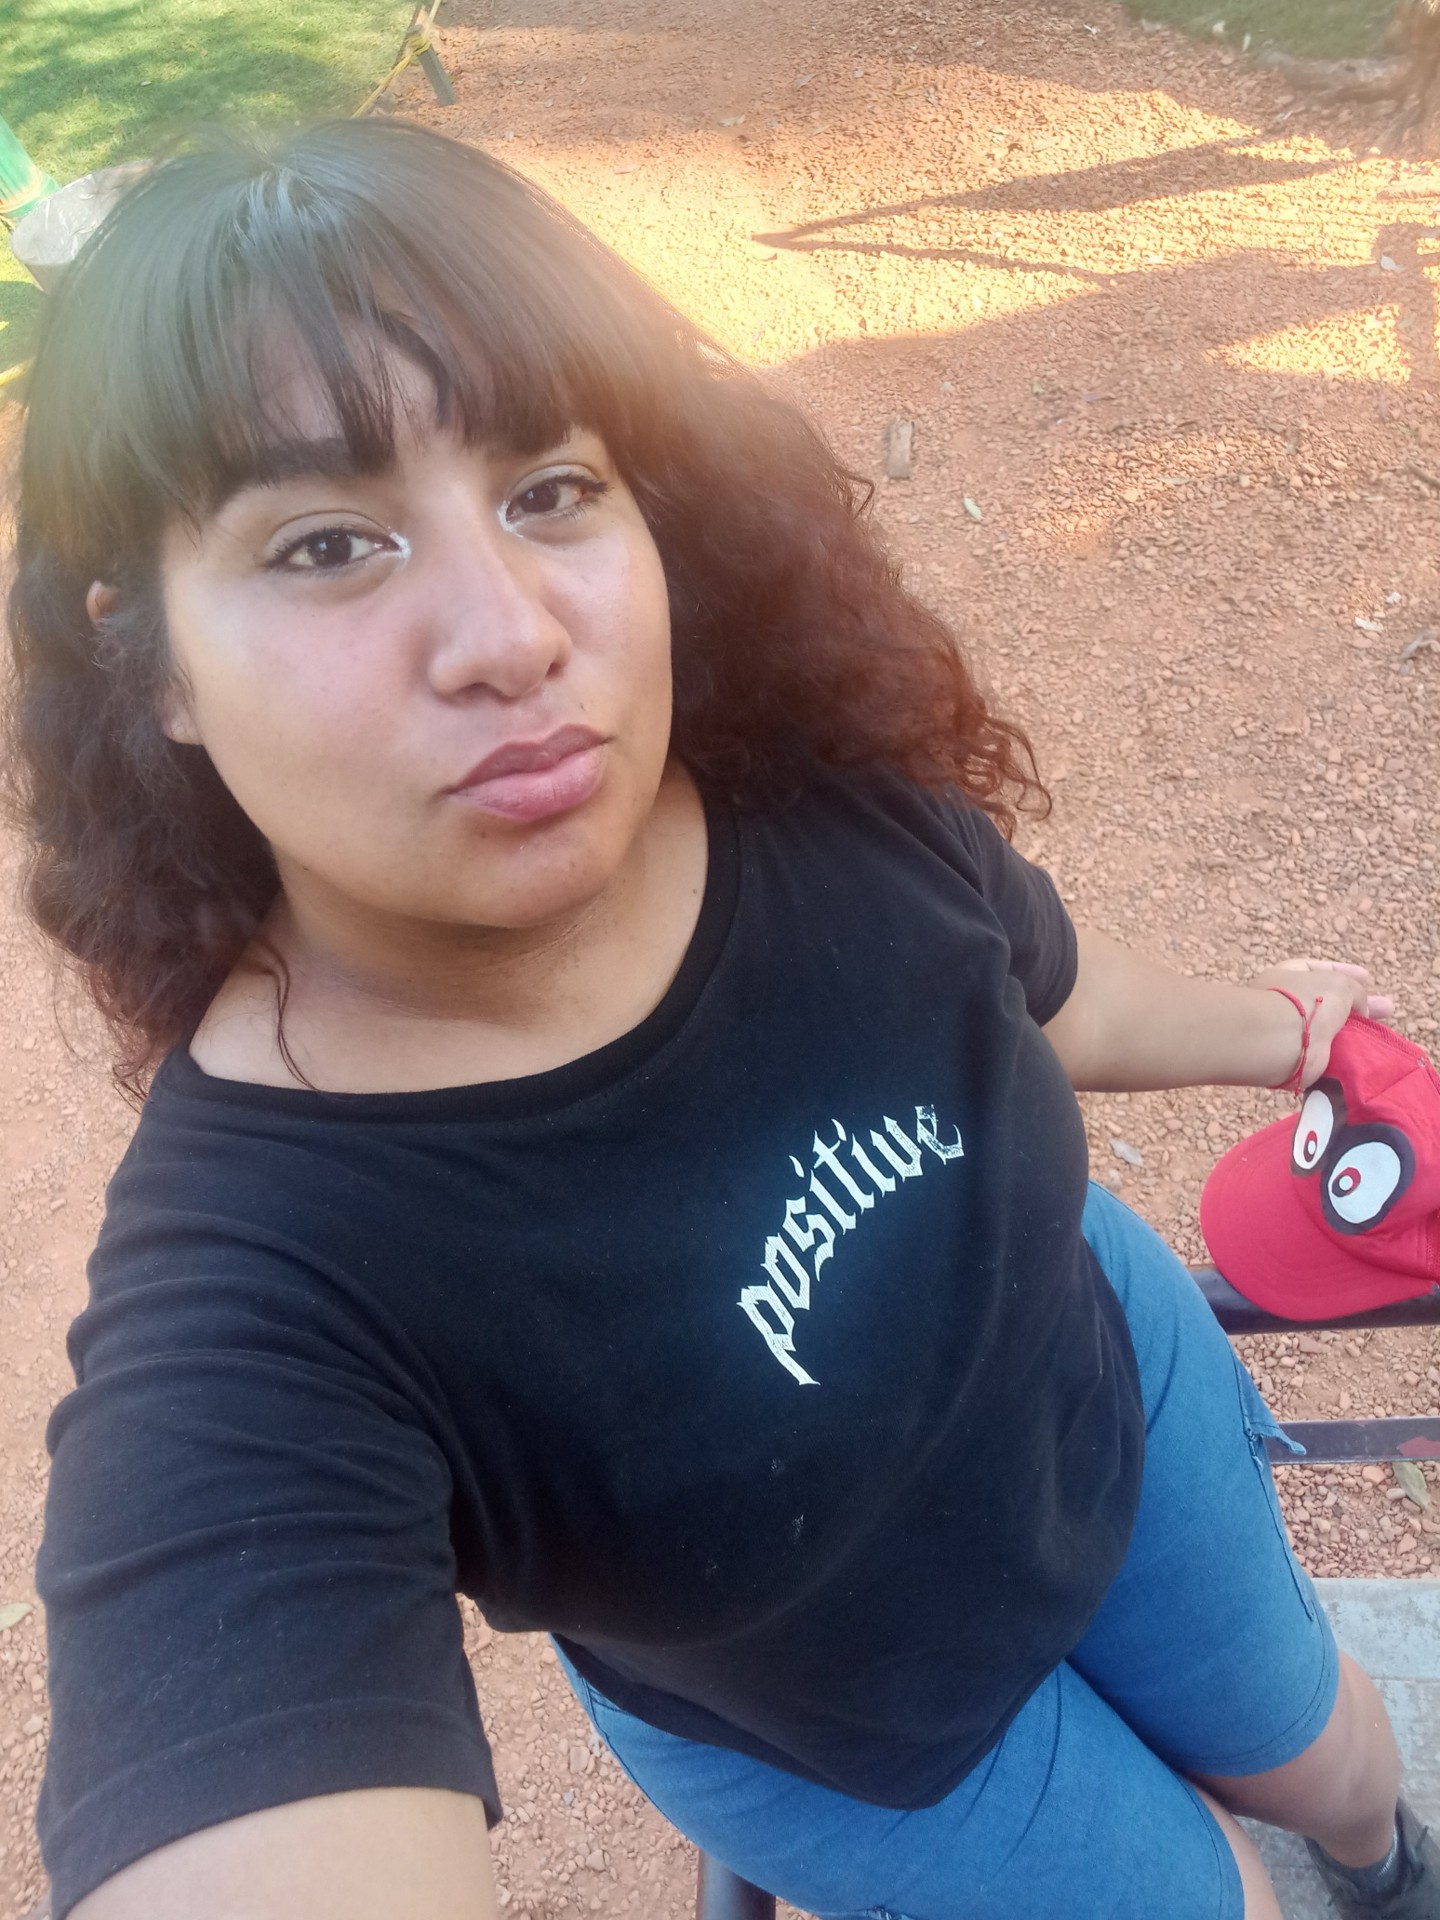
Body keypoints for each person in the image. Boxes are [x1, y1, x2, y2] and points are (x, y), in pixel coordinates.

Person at [5, 118, 1434, 1920]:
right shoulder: (261, 1300)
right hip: (843, 1726)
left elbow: (1041, 996)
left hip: (1105, 1403)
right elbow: (228, 1708)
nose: (509, 635)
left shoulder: (818, 809)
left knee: (1338, 1765)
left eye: (549, 490)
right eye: (328, 543)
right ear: (152, 662)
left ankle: (1387, 1869)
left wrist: (1283, 1033)